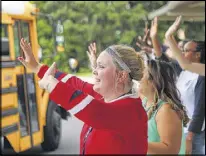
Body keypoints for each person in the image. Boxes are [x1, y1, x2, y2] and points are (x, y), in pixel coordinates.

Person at [18, 38, 148, 154]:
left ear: (121, 76)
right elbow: (74, 83)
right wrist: (37, 67)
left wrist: (51, 84)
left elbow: (94, 112)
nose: (94, 71)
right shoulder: (103, 98)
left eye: (101, 66)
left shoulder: (131, 112)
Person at [151, 16, 205, 155]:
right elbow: (161, 59)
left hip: (195, 132)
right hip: (182, 128)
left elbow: (200, 108)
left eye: (186, 50)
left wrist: (191, 134)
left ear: (198, 54)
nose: (182, 53)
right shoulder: (183, 71)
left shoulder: (201, 75)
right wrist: (154, 37)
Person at [138, 59, 188, 154]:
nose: (138, 77)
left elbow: (171, 150)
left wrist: (134, 142)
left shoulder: (166, 110)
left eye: (142, 73)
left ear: (153, 81)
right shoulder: (145, 101)